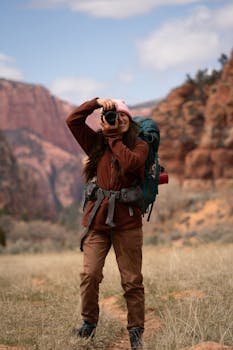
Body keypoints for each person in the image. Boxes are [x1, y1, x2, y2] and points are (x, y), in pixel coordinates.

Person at [66, 97, 149, 350]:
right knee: (89, 274)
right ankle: (88, 323)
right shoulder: (96, 145)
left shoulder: (140, 145)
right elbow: (73, 121)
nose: (118, 119)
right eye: (113, 116)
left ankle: (136, 332)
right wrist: (96, 102)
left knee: (132, 280)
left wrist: (112, 137)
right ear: (104, 120)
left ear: (130, 120)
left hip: (128, 224)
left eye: (123, 116)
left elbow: (132, 164)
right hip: (98, 221)